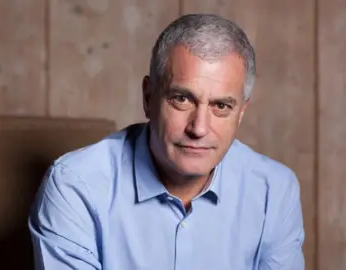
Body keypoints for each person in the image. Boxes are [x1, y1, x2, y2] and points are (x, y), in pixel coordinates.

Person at [28, 14, 305, 270]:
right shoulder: (75, 186)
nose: (199, 128)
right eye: (182, 99)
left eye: (221, 105)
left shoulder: (275, 192)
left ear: (241, 113)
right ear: (148, 98)